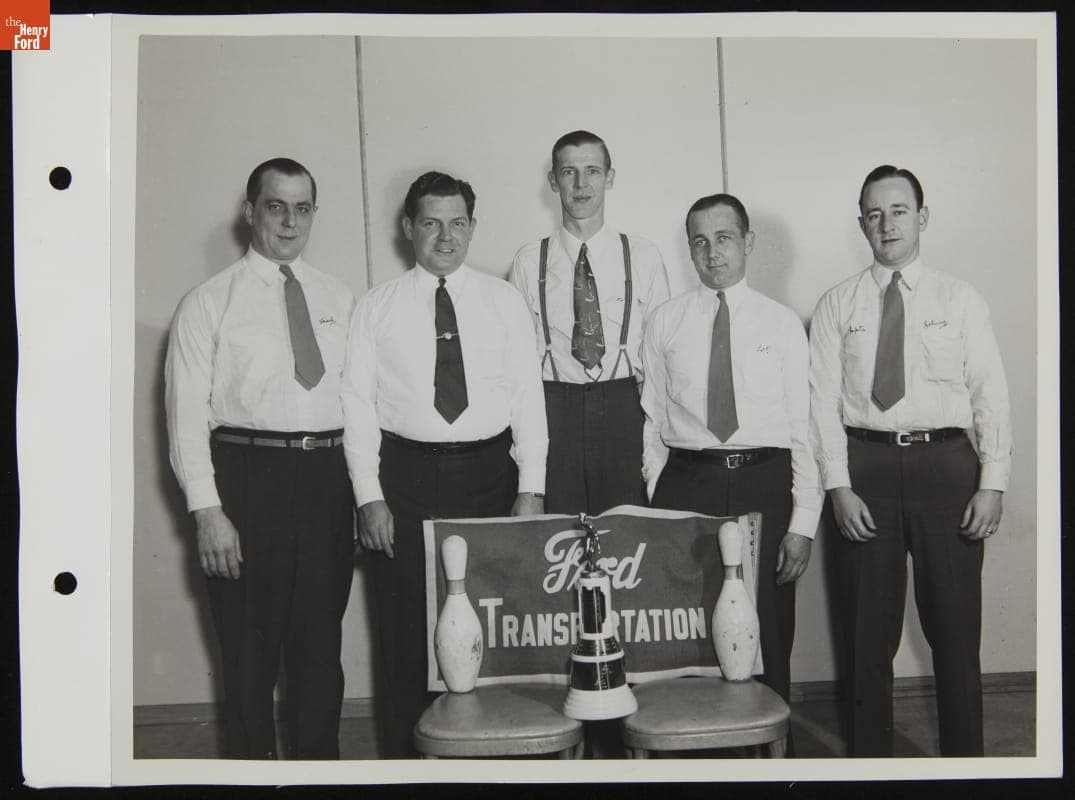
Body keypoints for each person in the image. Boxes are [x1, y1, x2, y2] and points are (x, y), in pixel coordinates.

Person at [342, 171, 548, 758]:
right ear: (409, 227)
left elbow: (527, 398)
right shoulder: (376, 306)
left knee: (493, 626)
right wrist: (369, 496)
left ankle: (492, 761)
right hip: (404, 480)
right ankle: (407, 767)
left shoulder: (504, 302)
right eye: (431, 223)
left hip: (489, 477)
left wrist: (531, 488)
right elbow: (356, 405)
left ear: (473, 227)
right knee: (406, 633)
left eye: (457, 223)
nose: (446, 236)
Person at [808, 165, 1012, 757]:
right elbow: (821, 404)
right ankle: (871, 767)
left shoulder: (960, 298)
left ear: (922, 217)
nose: (887, 224)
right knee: (867, 638)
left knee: (955, 634)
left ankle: (966, 768)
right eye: (874, 214)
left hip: (946, 470)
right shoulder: (837, 304)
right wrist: (838, 487)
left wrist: (992, 482)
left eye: (899, 211)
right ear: (861, 225)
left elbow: (990, 395)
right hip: (865, 473)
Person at [165, 158, 356, 759]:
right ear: (250, 212)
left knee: (319, 655)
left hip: (326, 483)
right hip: (247, 482)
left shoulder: (338, 296)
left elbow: (357, 402)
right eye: (276, 207)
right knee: (249, 662)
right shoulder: (208, 301)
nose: (290, 222)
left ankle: (319, 776)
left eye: (303, 209)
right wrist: (207, 513)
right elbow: (185, 417)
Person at [641, 193, 822, 745]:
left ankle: (770, 757)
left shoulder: (782, 323)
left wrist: (802, 523)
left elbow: (804, 429)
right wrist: (658, 495)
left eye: (723, 238)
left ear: (748, 242)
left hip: (763, 482)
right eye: (699, 241)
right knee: (688, 628)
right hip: (687, 482)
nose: (712, 252)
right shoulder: (665, 321)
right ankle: (695, 759)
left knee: (767, 627)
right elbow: (652, 420)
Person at [510, 130, 670, 516]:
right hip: (554, 413)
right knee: (558, 540)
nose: (581, 184)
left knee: (627, 537)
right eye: (569, 172)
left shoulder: (643, 256)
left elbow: (661, 364)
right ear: (554, 181)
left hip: (624, 413)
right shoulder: (529, 260)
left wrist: (657, 457)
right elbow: (517, 369)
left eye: (593, 171)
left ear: (609, 178)